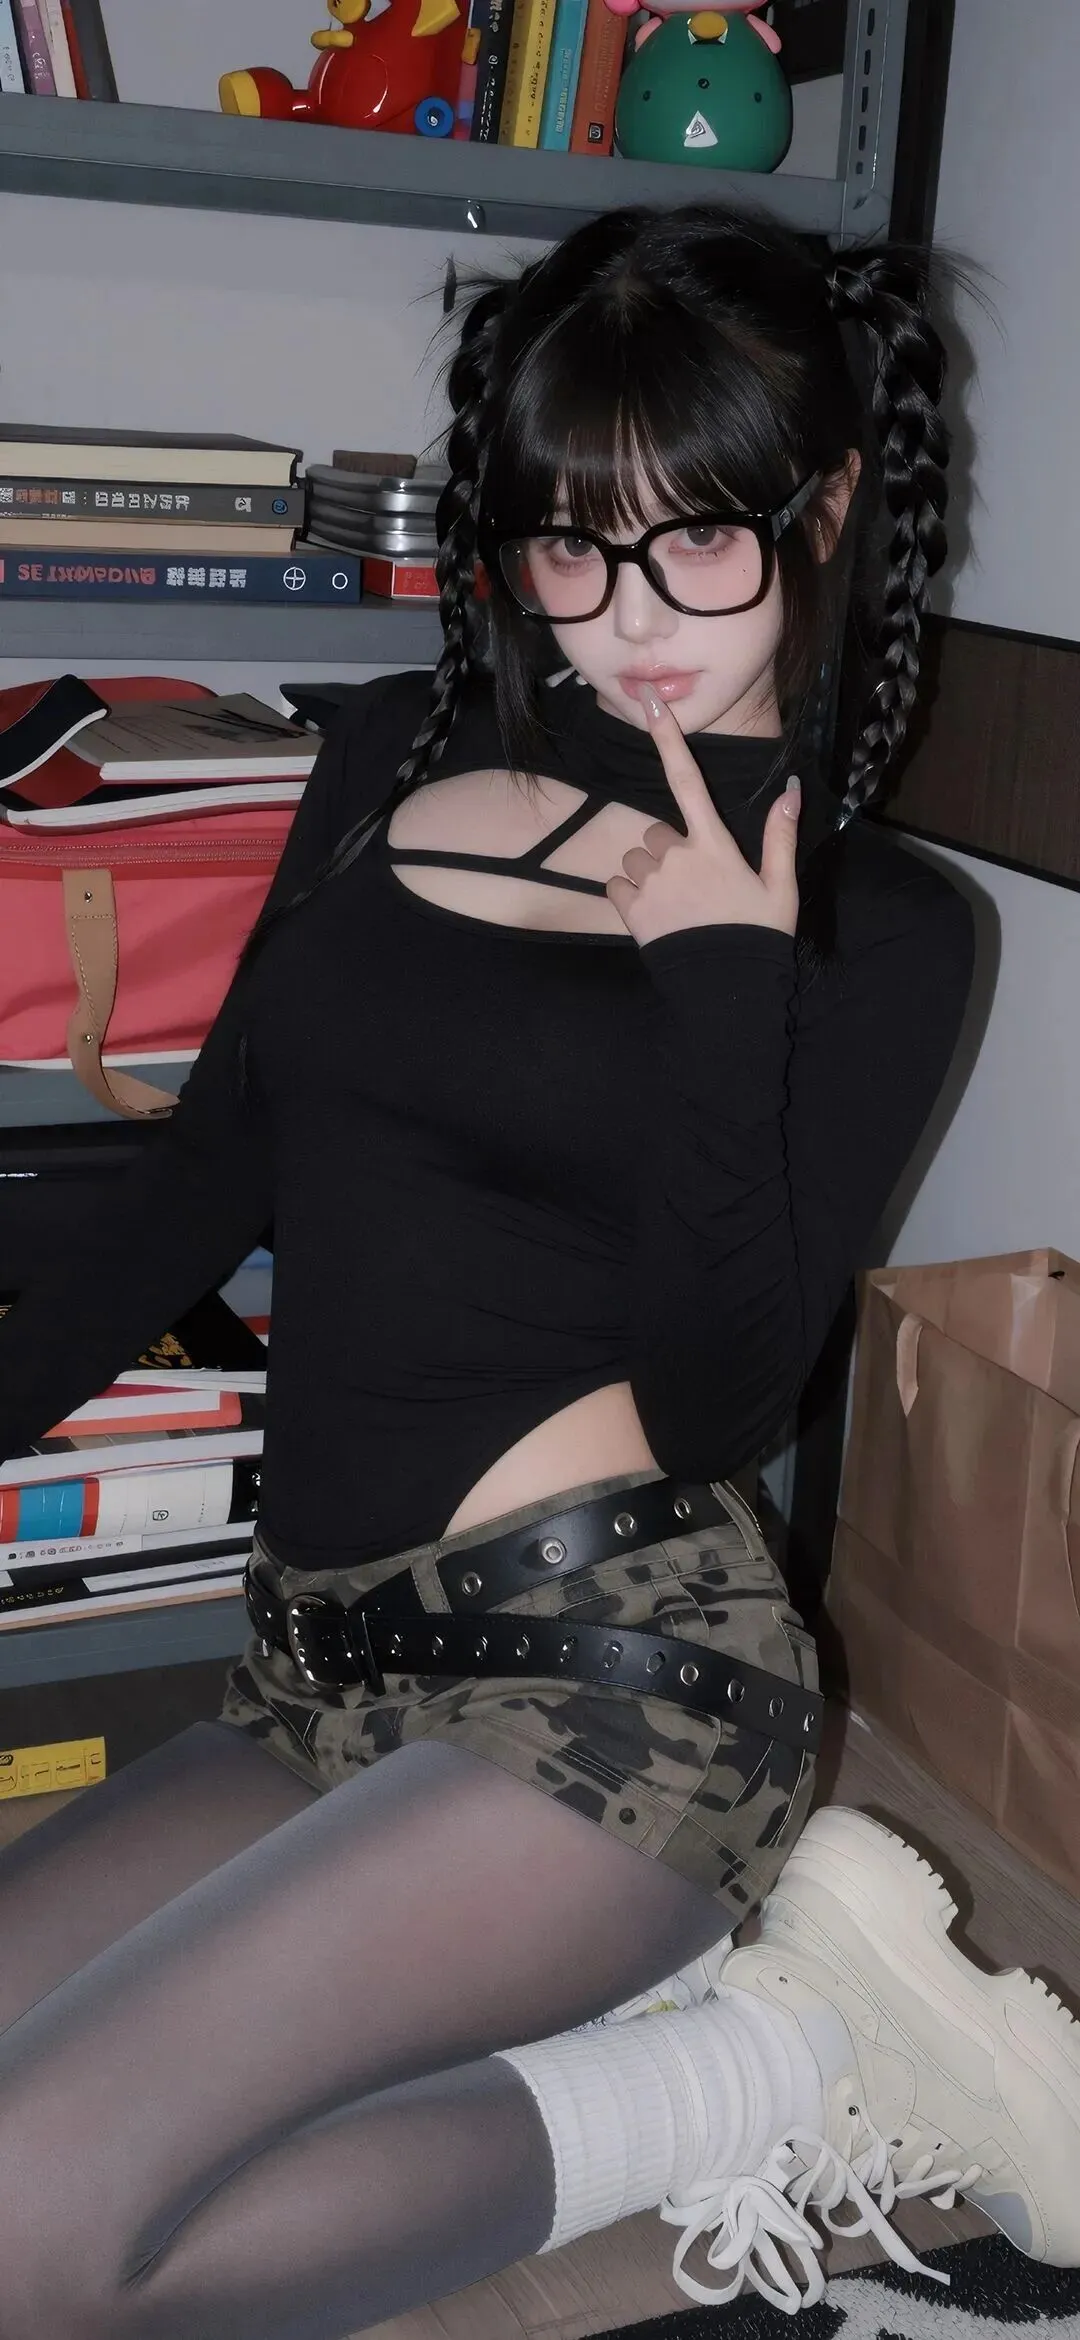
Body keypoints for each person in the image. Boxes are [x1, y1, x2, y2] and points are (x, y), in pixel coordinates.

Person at [0, 202, 1076, 2340]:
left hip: (617, 1682)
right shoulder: (392, 758)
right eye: (572, 544)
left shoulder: (881, 931)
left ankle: (784, 2067)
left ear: (831, 504)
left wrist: (725, 994)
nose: (629, 617)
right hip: (314, 1672)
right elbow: (208, 1173)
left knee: (29, 2227)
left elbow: (719, 1405)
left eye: (701, 540)